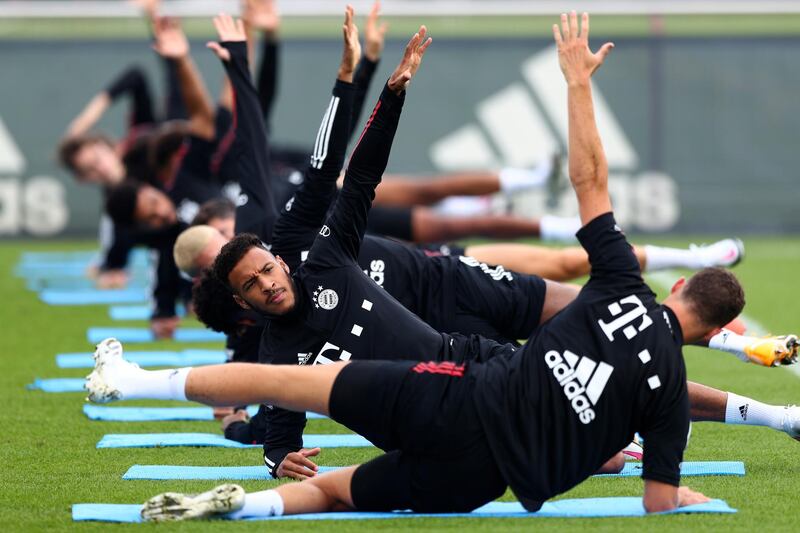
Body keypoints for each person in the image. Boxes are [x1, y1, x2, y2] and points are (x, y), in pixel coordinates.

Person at [85, 14, 764, 521]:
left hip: (456, 363)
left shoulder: (318, 254)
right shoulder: (273, 339)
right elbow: (276, 416)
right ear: (240, 301)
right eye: (249, 282)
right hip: (461, 417)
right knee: (300, 404)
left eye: (262, 265)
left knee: (554, 309)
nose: (267, 279)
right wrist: (267, 449)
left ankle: (193, 447)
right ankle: (227, 480)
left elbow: (354, 178)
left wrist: (385, 88)